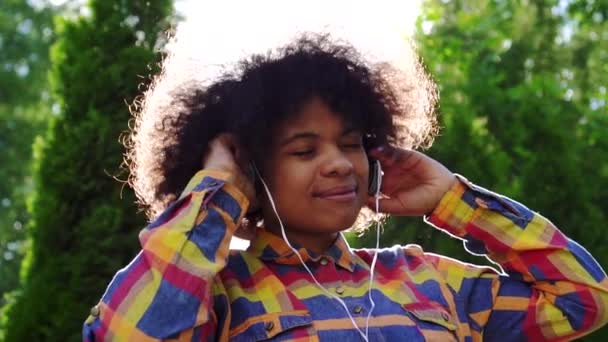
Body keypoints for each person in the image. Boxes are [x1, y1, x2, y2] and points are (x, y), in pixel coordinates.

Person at [83, 33, 608, 341]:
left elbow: (583, 299)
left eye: (352, 143)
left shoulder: (429, 278)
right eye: (304, 150)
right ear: (251, 169)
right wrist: (217, 188)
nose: (339, 165)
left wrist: (455, 200)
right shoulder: (217, 294)